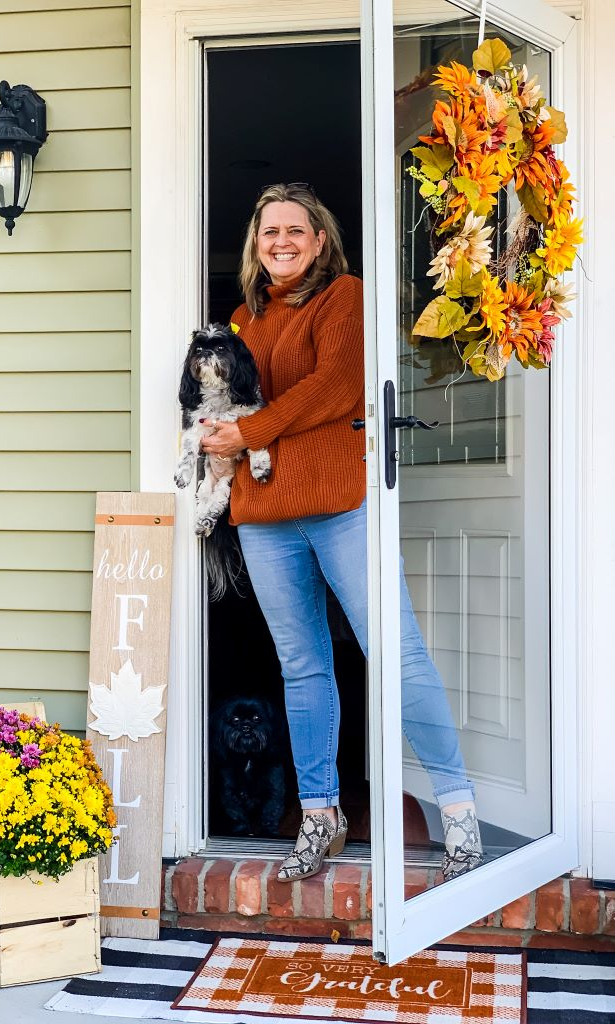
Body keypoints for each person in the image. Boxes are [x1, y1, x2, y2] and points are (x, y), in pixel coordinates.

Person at [201, 182, 483, 883]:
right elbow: (231, 399)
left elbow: (336, 388)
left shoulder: (344, 298)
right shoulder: (243, 319)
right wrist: (221, 433)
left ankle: (460, 817)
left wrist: (249, 430)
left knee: (397, 652)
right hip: (265, 515)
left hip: (339, 504)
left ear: (320, 239)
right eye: (270, 233)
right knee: (302, 667)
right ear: (256, 244)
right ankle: (320, 817)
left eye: (296, 230)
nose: (283, 243)